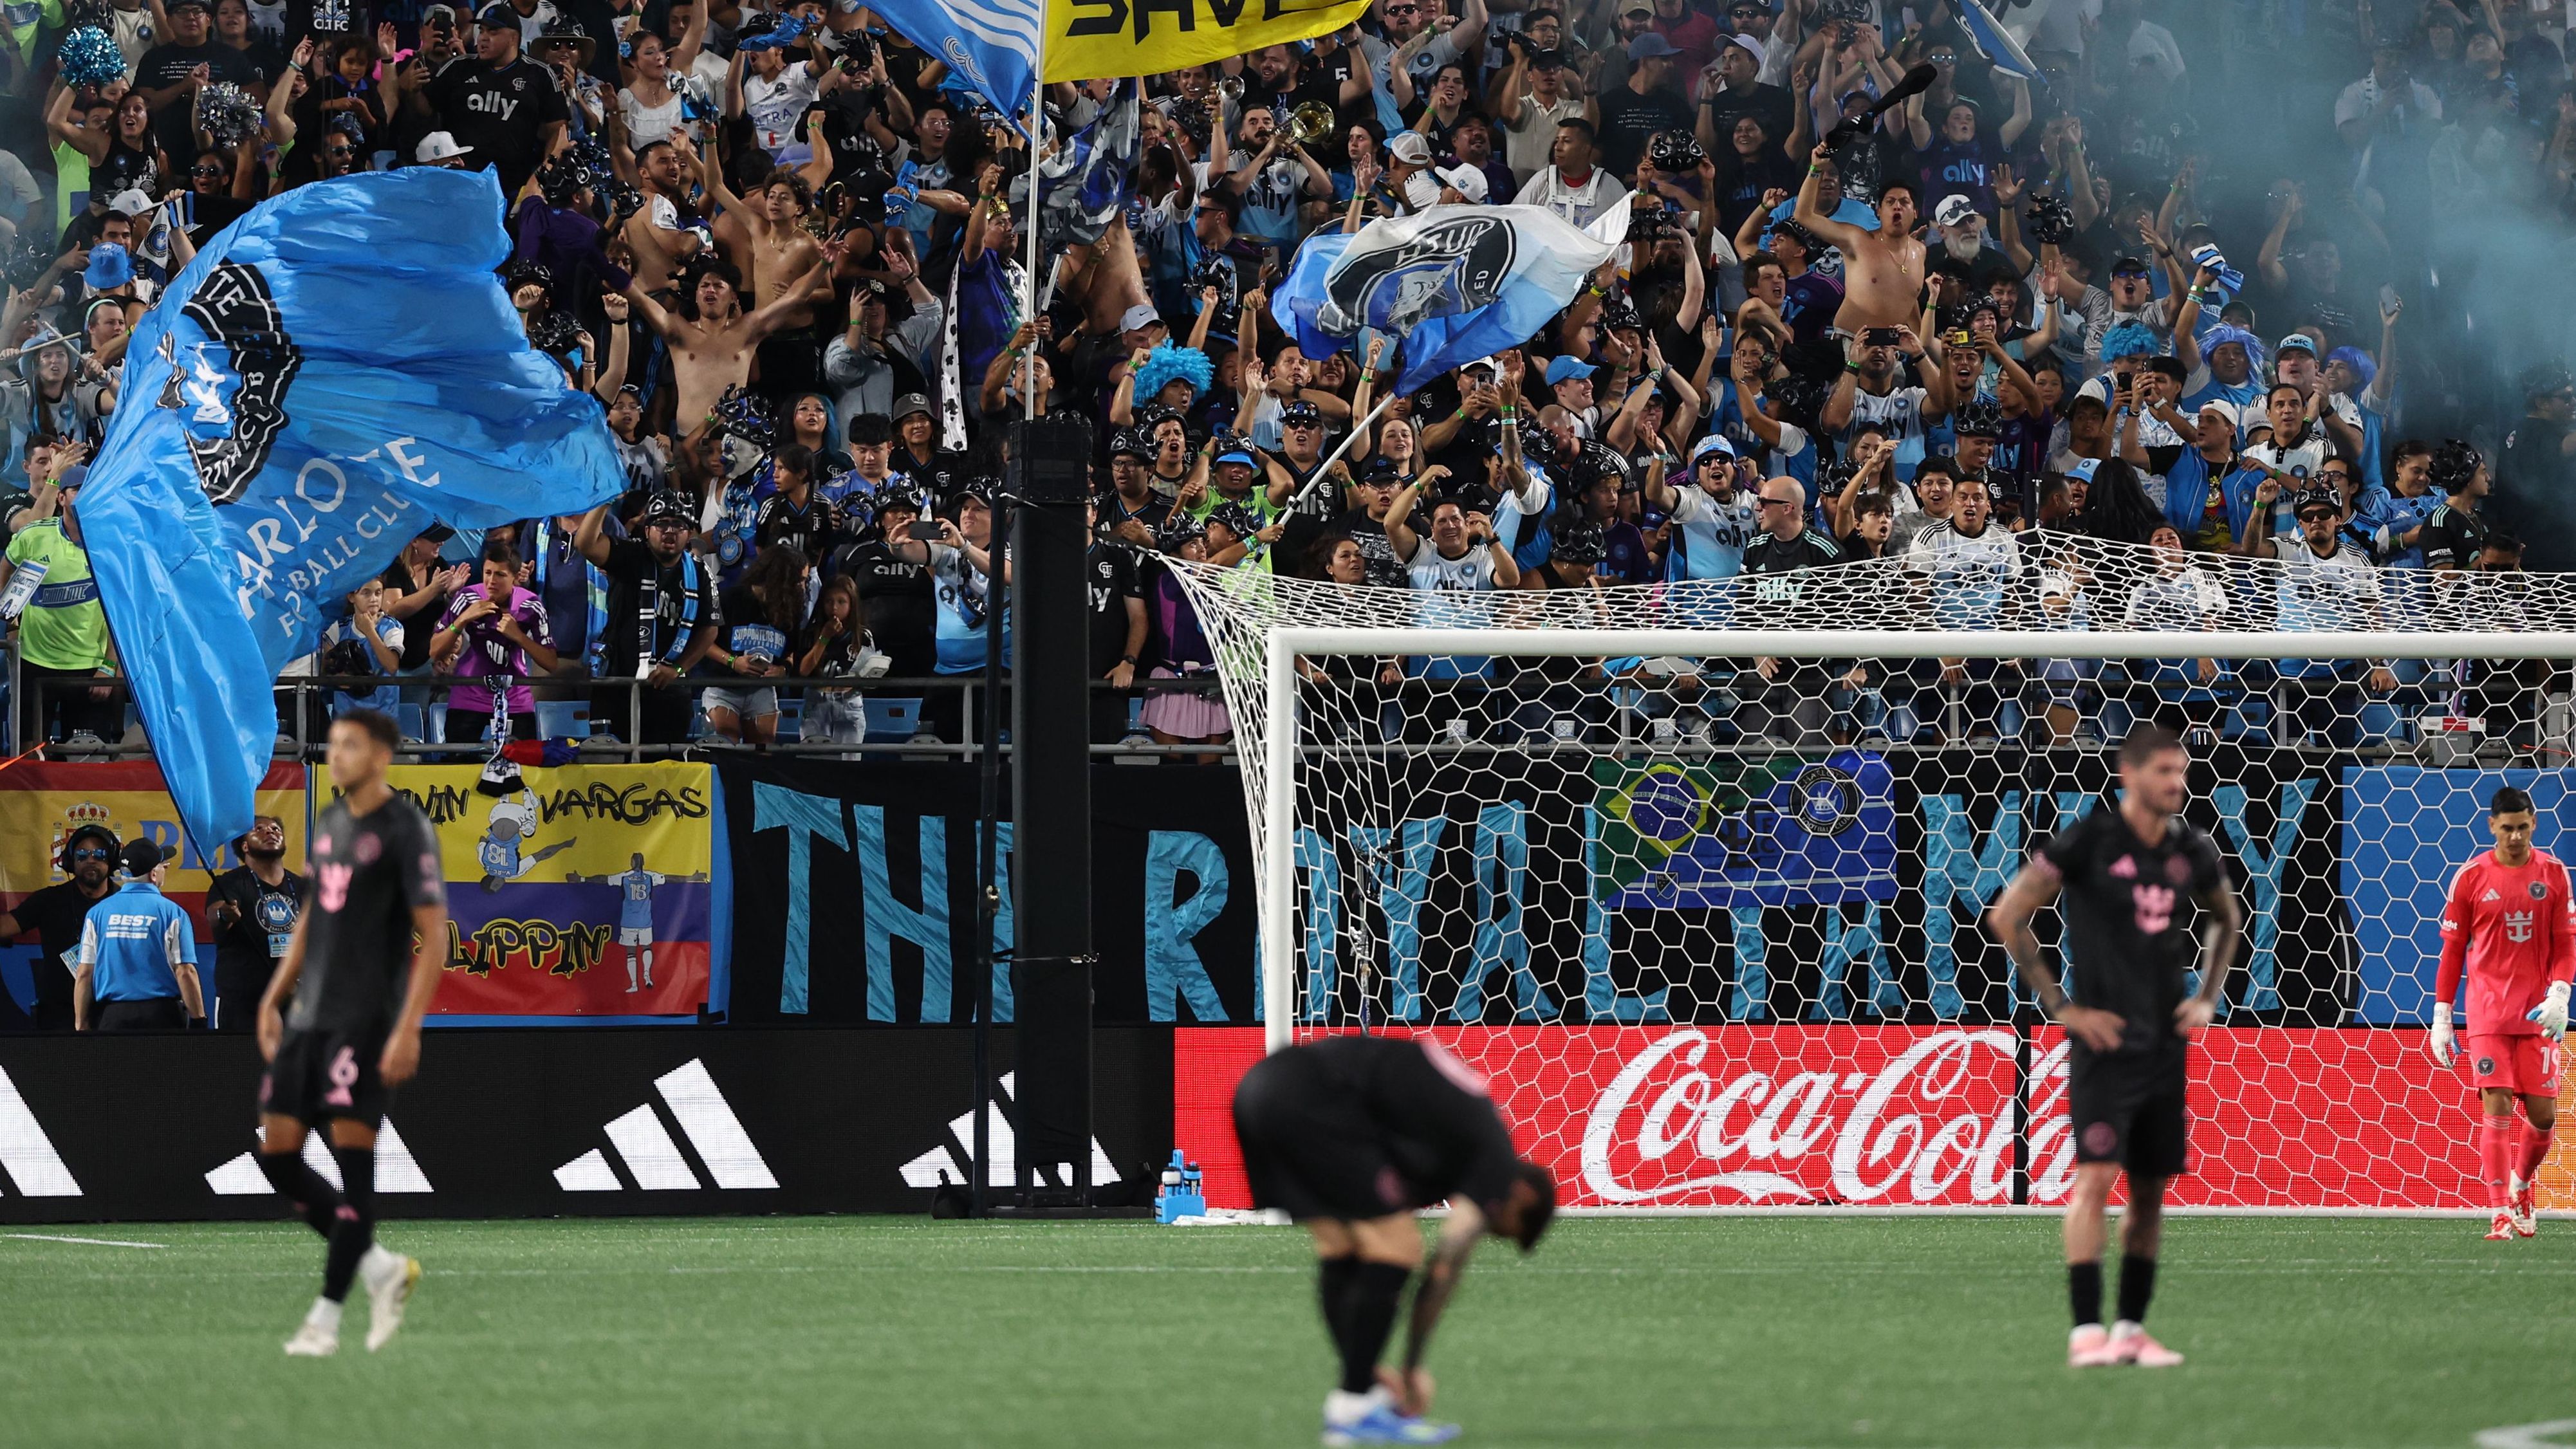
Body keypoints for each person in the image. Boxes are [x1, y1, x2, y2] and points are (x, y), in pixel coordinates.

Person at [1987, 724, 2243, 1369]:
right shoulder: (2088, 840)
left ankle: (2130, 1327)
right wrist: (2063, 1008)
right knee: (2095, 1177)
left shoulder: (2190, 847)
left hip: (2163, 1044)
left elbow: (2227, 916)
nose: (2177, 783)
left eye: (2180, 771)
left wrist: (2208, 994)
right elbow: (2008, 913)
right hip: (2103, 1045)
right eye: (2163, 771)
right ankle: (2084, 1333)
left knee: (2151, 1192)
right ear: (2127, 774)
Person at [1230, 1034, 1555, 1446]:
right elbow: (1445, 1264)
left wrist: (1361, 1363)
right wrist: (1412, 1367)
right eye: (1505, 1229)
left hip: (1260, 1088)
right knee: (1399, 1247)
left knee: (1341, 1247)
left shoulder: (1446, 1145)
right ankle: (1353, 1407)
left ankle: (1357, 1394)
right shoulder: (1494, 1156)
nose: (1490, 1234)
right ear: (1522, 1197)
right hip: (1311, 1096)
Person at [254, 708, 445, 1357]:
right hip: (310, 1017)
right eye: (332, 744)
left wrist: (408, 1027)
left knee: (351, 1167)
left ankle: (325, 1320)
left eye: (351, 745)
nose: (336, 754)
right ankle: (378, 1268)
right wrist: (275, 996)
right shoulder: (332, 821)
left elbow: (436, 930)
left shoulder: (405, 827)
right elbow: (312, 914)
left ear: (383, 754)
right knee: (276, 1153)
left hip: (365, 1022)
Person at [2429, 786, 2573, 1240]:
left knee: (2544, 1115)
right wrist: (2441, 1017)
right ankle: (2497, 1213)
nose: (2514, 836)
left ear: (2533, 824)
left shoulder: (2553, 874)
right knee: (2495, 1106)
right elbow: (2452, 952)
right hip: (2488, 1011)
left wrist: (2559, 994)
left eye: (2522, 827)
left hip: (2537, 1014)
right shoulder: (2470, 878)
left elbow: (2565, 944)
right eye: (2506, 828)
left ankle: (2520, 1186)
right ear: (2491, 826)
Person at [573, 491, 719, 746]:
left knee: (665, 769)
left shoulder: (700, 571)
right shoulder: (630, 554)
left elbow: (709, 629)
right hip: (618, 685)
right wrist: (605, 501)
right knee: (611, 765)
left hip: (670, 691)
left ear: (690, 534)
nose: (670, 531)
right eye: (662, 524)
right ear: (647, 529)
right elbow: (585, 544)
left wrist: (678, 668)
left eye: (679, 525)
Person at [428, 539, 557, 743]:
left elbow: (551, 663)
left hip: (515, 701)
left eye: (500, 575)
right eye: (488, 573)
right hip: (468, 699)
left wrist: (519, 636)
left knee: (524, 769)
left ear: (515, 578)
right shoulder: (467, 597)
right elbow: (435, 652)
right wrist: (463, 619)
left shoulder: (531, 605)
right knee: (458, 769)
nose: (491, 581)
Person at [0, 823, 125, 1031]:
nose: (91, 860)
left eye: (99, 854)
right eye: (82, 855)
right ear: (70, 861)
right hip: (58, 1016)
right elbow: (6, 926)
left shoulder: (126, 903)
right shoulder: (49, 900)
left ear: (112, 859)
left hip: (113, 1013)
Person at [71, 838, 201, 1031]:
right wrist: (199, 1020)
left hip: (112, 1018)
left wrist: (81, 1024)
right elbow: (185, 971)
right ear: (154, 874)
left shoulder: (97, 914)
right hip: (162, 1018)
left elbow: (84, 974)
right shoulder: (173, 913)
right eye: (163, 866)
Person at [1794, 143, 1922, 330]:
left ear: (1916, 213)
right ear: (1878, 211)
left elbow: (1910, 300)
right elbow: (1803, 215)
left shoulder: (1919, 251)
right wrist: (1815, 169)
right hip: (1852, 343)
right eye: (1890, 202)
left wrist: (1920, 351)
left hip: (1892, 348)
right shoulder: (1857, 239)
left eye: (1904, 202)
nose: (1897, 206)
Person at [206, 815, 302, 1031]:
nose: (270, 832)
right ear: (245, 846)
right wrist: (224, 914)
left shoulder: (303, 886)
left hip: (295, 1005)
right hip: (242, 1006)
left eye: (276, 828)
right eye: (259, 829)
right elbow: (215, 915)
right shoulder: (229, 883)